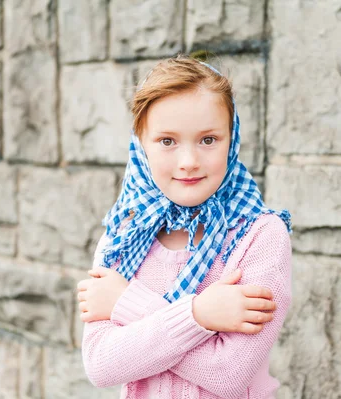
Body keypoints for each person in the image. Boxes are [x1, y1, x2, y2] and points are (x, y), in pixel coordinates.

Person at [76, 55, 292, 399]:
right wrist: (201, 315)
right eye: (167, 141)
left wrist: (127, 302)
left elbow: (228, 374)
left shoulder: (260, 236)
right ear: (141, 145)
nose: (189, 162)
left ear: (232, 139)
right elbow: (101, 364)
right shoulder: (124, 235)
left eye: (208, 140)